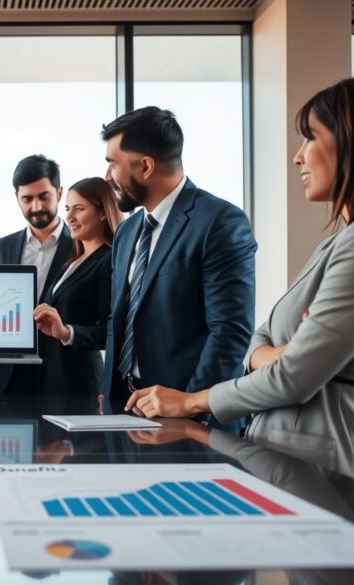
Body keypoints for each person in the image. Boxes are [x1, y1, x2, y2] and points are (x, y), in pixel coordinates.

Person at [124, 71, 354, 488]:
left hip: (319, 471)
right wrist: (274, 354)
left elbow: (294, 377)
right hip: (283, 452)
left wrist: (192, 400)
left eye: (311, 137)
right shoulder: (346, 240)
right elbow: (260, 337)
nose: (298, 157)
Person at [101, 106, 257, 433]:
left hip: (192, 421)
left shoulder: (220, 222)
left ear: (145, 166)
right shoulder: (127, 232)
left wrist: (189, 408)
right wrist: (108, 392)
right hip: (126, 411)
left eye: (113, 164)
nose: (107, 176)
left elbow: (229, 332)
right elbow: (120, 320)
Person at [0, 154, 73, 395]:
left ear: (59, 193)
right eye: (27, 198)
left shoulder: (85, 247)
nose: (36, 207)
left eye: (44, 196)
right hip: (5, 381)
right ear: (17, 198)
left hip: (67, 380)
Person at [33, 177, 122, 396]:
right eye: (67, 209)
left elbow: (109, 331)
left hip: (80, 382)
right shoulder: (73, 261)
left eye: (79, 209)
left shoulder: (109, 260)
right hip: (53, 379)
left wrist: (66, 332)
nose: (69, 217)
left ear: (103, 213)